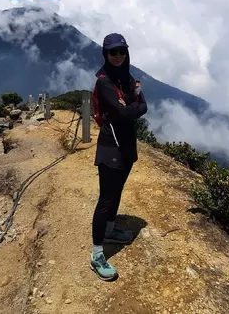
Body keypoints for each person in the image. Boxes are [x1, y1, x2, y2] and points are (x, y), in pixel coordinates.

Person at [89, 33, 147, 281]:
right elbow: (127, 113)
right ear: (105, 54)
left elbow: (142, 107)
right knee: (106, 198)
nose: (118, 56)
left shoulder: (126, 78)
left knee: (117, 192)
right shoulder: (104, 82)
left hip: (126, 146)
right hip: (111, 147)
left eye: (121, 51)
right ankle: (97, 254)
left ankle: (111, 230)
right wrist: (132, 104)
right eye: (113, 52)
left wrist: (129, 104)